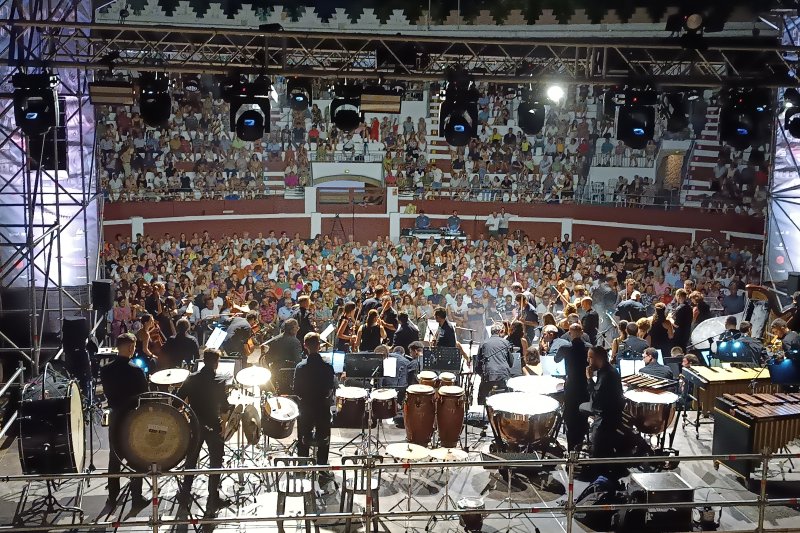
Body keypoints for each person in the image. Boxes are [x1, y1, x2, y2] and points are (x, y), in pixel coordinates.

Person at [177, 348, 231, 515]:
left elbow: (177, 401)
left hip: (195, 424)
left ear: (203, 360)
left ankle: (185, 493)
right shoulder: (220, 380)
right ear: (216, 363)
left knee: (191, 459)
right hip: (213, 425)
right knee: (215, 462)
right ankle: (213, 497)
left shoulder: (191, 378)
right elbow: (224, 406)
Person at [101, 333, 149, 509]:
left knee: (114, 459)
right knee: (136, 458)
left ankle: (112, 497)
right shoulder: (136, 370)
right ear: (131, 348)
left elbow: (107, 393)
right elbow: (145, 396)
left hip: (115, 416)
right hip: (132, 418)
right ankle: (137, 497)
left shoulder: (105, 370)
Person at [293, 333, 336, 475]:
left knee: (303, 436)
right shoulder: (328, 367)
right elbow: (331, 388)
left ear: (305, 346)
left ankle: (303, 465)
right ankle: (322, 466)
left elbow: (296, 390)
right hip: (322, 407)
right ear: (319, 346)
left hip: (305, 407)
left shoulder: (300, 367)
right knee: (324, 436)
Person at [582, 345, 625, 458]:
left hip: (606, 417)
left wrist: (589, 379)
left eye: (589, 357)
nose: (587, 361)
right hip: (609, 410)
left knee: (597, 454)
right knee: (582, 406)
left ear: (598, 358)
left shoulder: (606, 375)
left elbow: (596, 399)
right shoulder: (607, 370)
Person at [556, 323, 590, 452]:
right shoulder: (589, 348)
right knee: (582, 416)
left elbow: (556, 360)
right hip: (585, 387)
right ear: (582, 333)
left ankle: (571, 449)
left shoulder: (565, 348)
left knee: (570, 416)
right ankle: (580, 444)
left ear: (569, 334)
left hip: (571, 387)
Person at [476, 323, 515, 405]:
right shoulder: (506, 343)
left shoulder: (483, 343)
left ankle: (482, 412)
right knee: (506, 400)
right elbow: (511, 363)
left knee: (482, 397)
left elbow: (478, 365)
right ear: (501, 331)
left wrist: (482, 375)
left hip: (488, 376)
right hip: (503, 376)